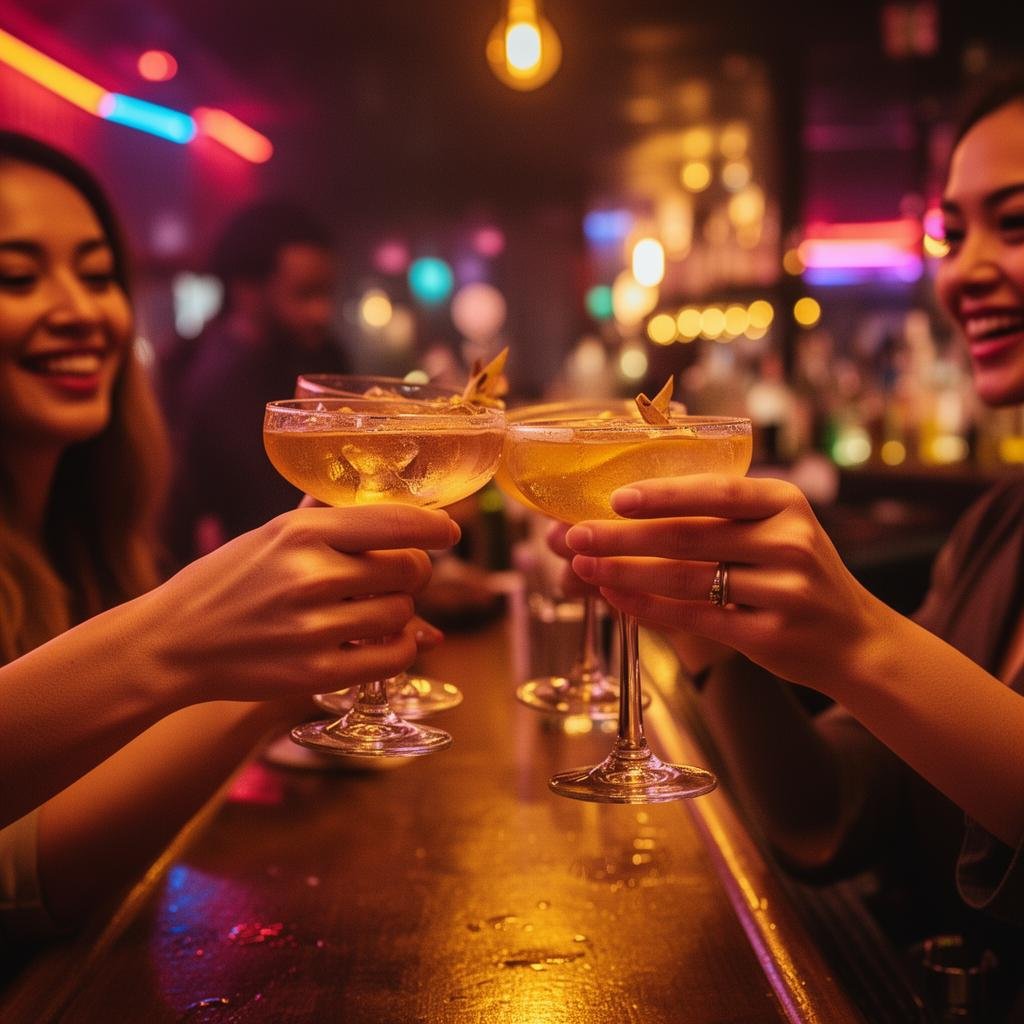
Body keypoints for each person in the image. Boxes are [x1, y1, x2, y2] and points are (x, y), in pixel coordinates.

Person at [555, 77, 1024, 1004]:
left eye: (1014, 224)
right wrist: (693, 613)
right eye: (951, 232)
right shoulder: (997, 530)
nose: (963, 271)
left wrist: (859, 642)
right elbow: (825, 816)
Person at [0, 131, 456, 934]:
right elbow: (18, 880)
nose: (80, 312)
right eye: (15, 277)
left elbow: (48, 852)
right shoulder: (222, 391)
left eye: (101, 276)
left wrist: (290, 665)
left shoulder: (92, 535)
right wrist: (182, 637)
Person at [158, 200, 352, 566]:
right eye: (306, 294)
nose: (322, 311)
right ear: (247, 291)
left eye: (327, 293)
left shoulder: (323, 356)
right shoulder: (211, 382)